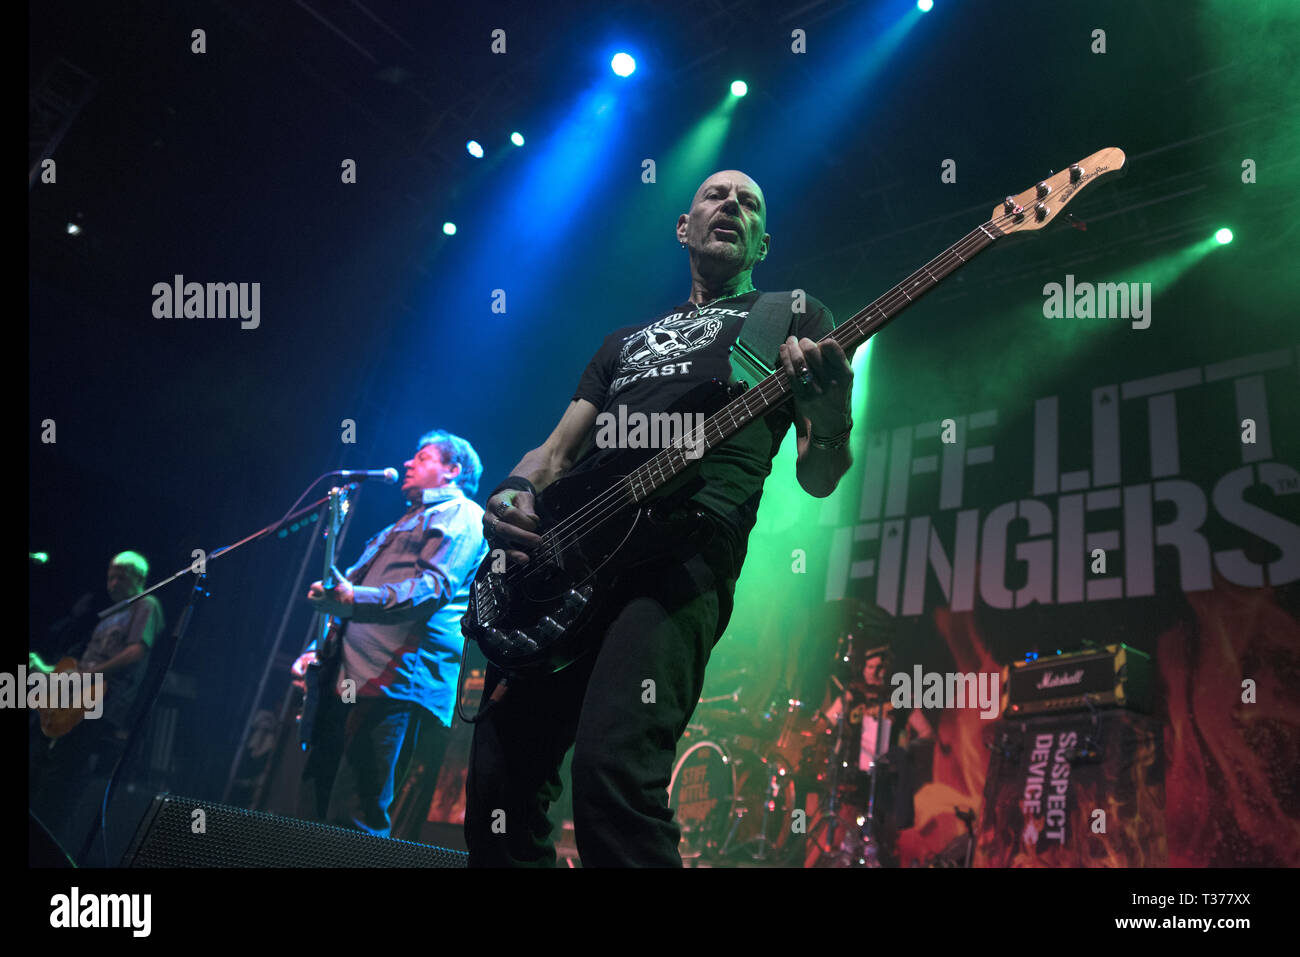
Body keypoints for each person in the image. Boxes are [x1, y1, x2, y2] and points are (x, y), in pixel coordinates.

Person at [466, 170, 856, 866]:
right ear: (684, 227)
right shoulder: (623, 340)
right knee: (500, 786)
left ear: (763, 242)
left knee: (613, 776)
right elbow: (554, 453)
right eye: (717, 194)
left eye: (751, 203)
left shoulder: (789, 315)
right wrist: (513, 489)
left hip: (682, 554)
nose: (732, 204)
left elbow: (820, 474)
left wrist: (830, 414)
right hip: (569, 556)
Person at [294, 429, 488, 837]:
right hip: (346, 678)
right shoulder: (399, 524)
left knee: (356, 815)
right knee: (312, 808)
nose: (408, 463)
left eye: (423, 457)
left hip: (395, 683)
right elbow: (348, 592)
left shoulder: (462, 514)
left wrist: (351, 599)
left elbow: (431, 590)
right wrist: (317, 648)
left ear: (453, 470)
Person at [29, 551, 164, 848]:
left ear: (139, 578)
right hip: (75, 696)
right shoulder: (110, 614)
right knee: (41, 759)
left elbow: (135, 652)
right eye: (110, 575)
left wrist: (88, 676)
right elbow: (79, 666)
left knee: (62, 773)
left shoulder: (147, 605)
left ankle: (45, 847)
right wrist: (49, 670)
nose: (113, 582)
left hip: (102, 701)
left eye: (121, 576)